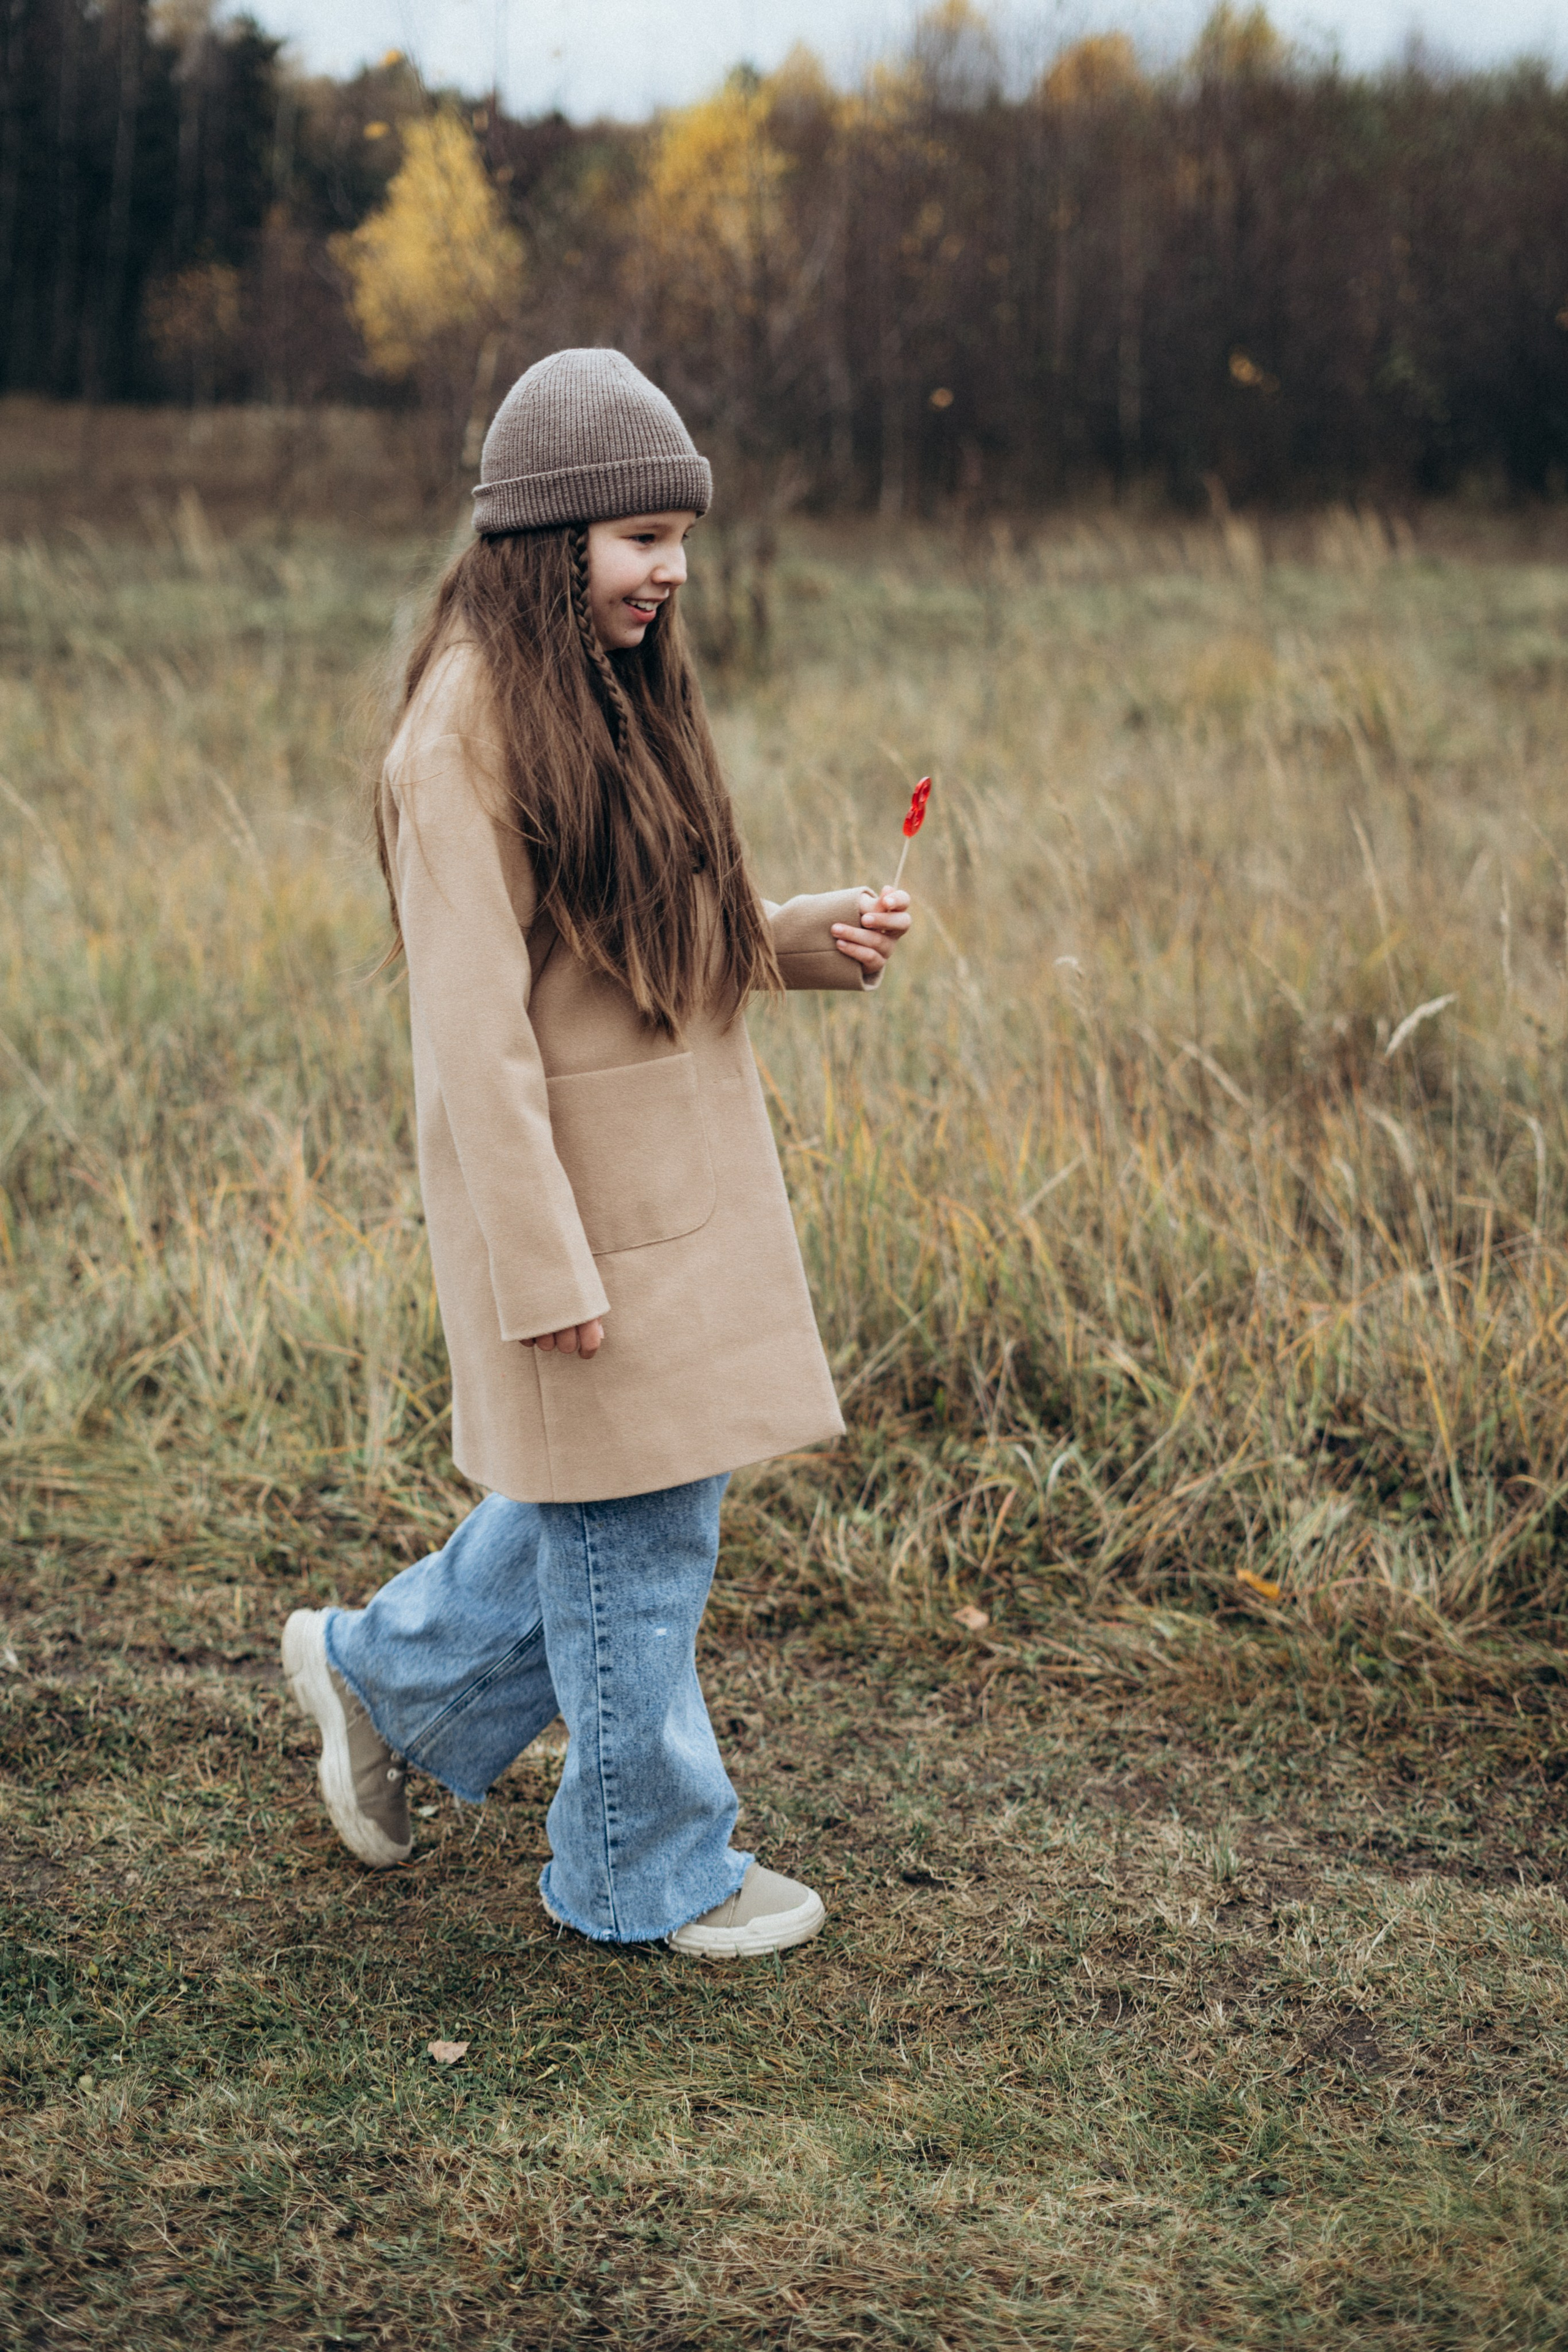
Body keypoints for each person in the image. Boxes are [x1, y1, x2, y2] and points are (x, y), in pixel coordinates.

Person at [281, 350, 911, 1959]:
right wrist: (541, 1264)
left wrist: (798, 941)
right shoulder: (460, 738)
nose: (672, 572)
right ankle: (646, 1861)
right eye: (642, 538)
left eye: (680, 539)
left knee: (616, 1509)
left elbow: (632, 939)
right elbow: (477, 1041)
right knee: (637, 1536)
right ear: (551, 539)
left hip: (664, 1194)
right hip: (575, 1214)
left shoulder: (610, 694)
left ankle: (382, 1674)